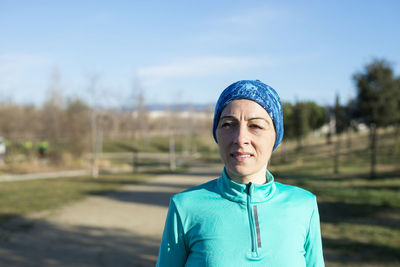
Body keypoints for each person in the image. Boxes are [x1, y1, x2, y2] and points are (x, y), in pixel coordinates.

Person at [156, 80, 325, 266]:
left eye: (256, 126)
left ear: (276, 135)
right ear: (216, 134)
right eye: (228, 124)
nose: (240, 138)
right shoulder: (184, 206)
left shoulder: (303, 205)